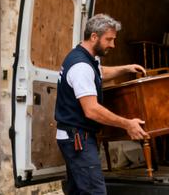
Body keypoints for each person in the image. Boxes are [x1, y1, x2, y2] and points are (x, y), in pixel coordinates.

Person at [55, 14, 149, 195]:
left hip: (76, 136)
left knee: (77, 191)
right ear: (94, 37)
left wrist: (126, 68)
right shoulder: (81, 66)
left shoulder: (85, 58)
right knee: (94, 192)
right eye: (109, 40)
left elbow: (100, 72)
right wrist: (127, 124)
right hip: (77, 139)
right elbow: (92, 111)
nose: (113, 45)